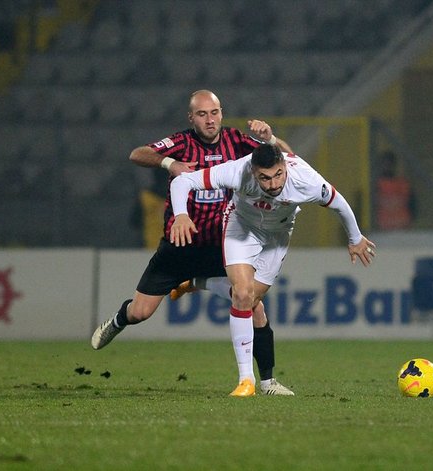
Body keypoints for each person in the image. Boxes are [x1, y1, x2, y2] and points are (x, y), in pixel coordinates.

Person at [91, 90, 295, 396]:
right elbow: (137, 154)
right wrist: (169, 164)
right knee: (140, 312)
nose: (209, 120)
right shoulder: (181, 142)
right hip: (180, 245)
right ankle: (120, 320)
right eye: (202, 114)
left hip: (222, 243)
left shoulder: (237, 141)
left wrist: (271, 138)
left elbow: (287, 159)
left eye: (214, 113)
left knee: (253, 304)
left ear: (221, 113)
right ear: (191, 118)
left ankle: (267, 382)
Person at [170, 144, 376, 396]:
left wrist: (355, 238)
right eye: (264, 178)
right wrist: (181, 215)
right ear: (253, 172)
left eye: (278, 174)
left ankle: (197, 282)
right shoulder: (238, 171)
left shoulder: (305, 179)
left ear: (284, 166)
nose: (273, 184)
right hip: (241, 227)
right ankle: (246, 380)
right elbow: (182, 182)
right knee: (242, 293)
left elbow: (338, 203)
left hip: (278, 234)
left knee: (252, 299)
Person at [374, 150, 416, 230]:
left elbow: (412, 204)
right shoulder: (376, 185)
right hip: (382, 228)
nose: (387, 166)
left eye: (389, 163)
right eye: (384, 164)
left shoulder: (403, 184)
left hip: (402, 226)